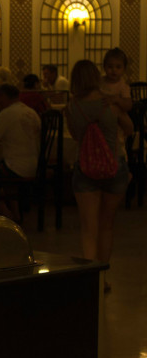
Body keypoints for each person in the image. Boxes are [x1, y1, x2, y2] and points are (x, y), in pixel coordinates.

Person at [65, 60, 132, 291]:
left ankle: (91, 279)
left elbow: (76, 136)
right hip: (115, 166)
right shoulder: (109, 103)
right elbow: (130, 128)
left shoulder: (72, 107)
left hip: (85, 168)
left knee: (88, 228)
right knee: (106, 226)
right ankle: (103, 278)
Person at [0, 83, 41, 220]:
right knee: (4, 176)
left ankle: (5, 214)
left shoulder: (6, 114)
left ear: (3, 96)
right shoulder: (31, 112)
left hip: (15, 167)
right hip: (35, 165)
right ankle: (15, 214)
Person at [100, 47, 132, 114]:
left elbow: (129, 106)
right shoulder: (100, 81)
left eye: (118, 67)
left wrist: (118, 100)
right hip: (102, 114)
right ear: (104, 67)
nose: (114, 70)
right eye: (110, 66)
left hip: (117, 116)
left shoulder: (123, 86)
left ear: (124, 69)